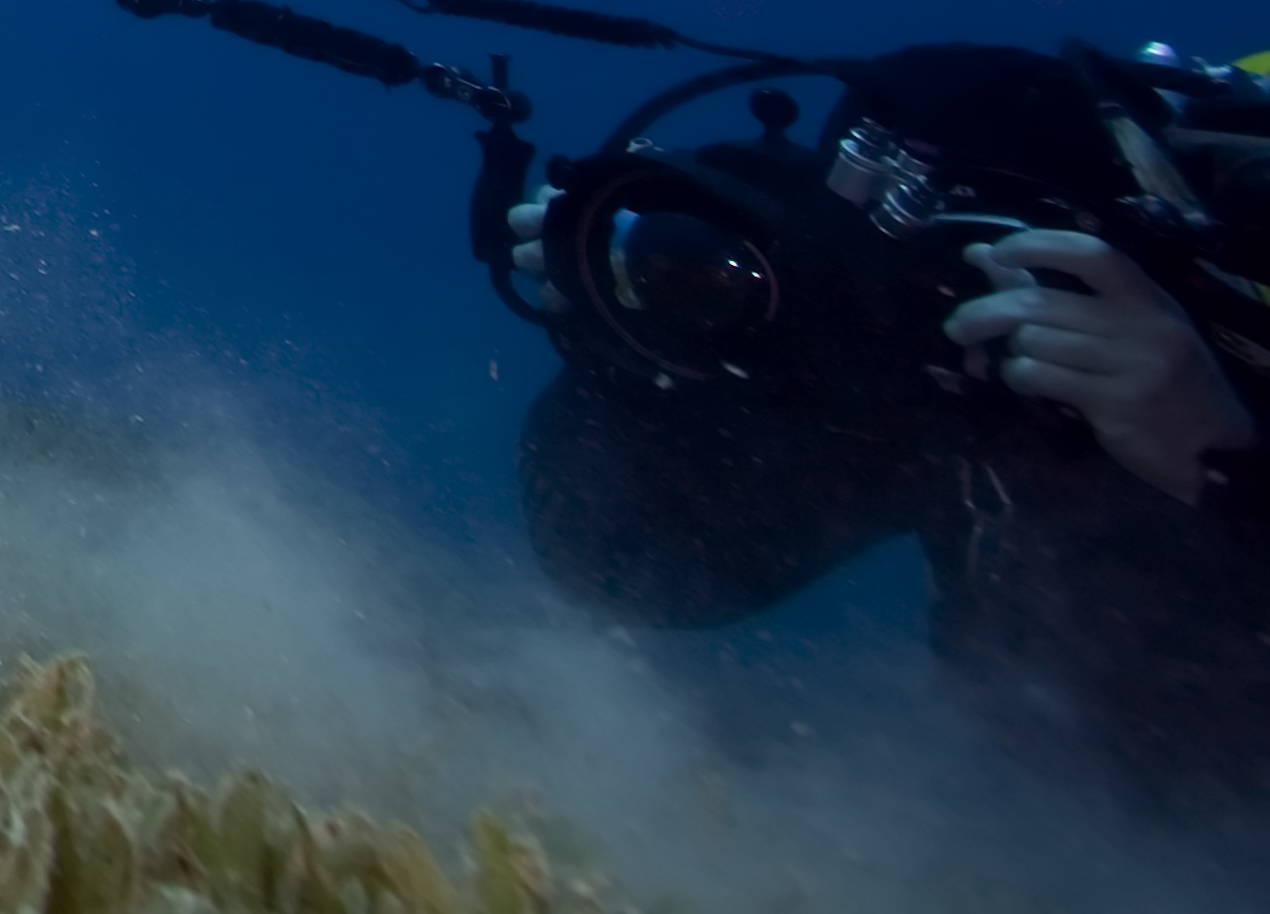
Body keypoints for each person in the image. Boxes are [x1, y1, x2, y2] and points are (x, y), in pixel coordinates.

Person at [508, 42, 1270, 814]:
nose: (963, 279)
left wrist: (1227, 462)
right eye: (899, 211)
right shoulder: (914, 353)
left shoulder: (1222, 285)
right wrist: (634, 352)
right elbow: (630, 569)